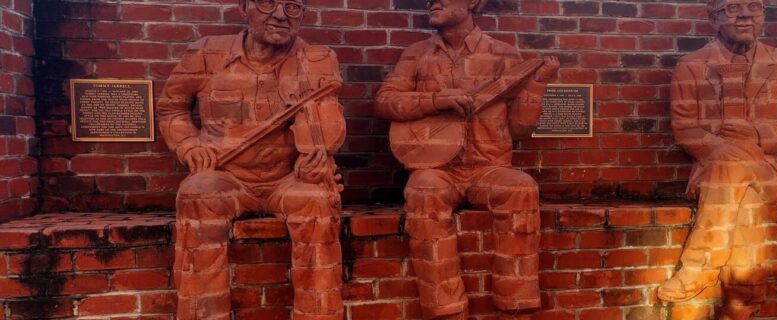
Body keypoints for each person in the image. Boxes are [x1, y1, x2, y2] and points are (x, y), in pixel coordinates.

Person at [156, 0, 346, 319]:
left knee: (317, 201)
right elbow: (171, 108)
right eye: (268, 3)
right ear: (245, 6)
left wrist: (316, 159)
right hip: (226, 176)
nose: (281, 15)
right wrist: (188, 145)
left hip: (288, 179)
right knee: (196, 195)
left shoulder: (318, 60)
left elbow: (324, 126)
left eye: (293, 7)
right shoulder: (205, 54)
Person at [374, 0, 559, 318]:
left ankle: (516, 306)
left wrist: (538, 85)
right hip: (437, 169)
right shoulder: (417, 54)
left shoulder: (504, 55)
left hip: (489, 168)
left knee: (521, 188)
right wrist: (435, 101)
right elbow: (385, 102)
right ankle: (446, 310)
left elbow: (519, 128)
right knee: (423, 190)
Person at [661, 0, 777, 317]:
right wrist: (724, 149)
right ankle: (742, 303)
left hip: (765, 171)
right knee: (745, 221)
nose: (744, 15)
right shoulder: (691, 65)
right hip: (714, 172)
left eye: (754, 6)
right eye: (732, 7)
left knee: (736, 161)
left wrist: (752, 134)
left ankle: (699, 266)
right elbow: (684, 128)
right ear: (713, 18)